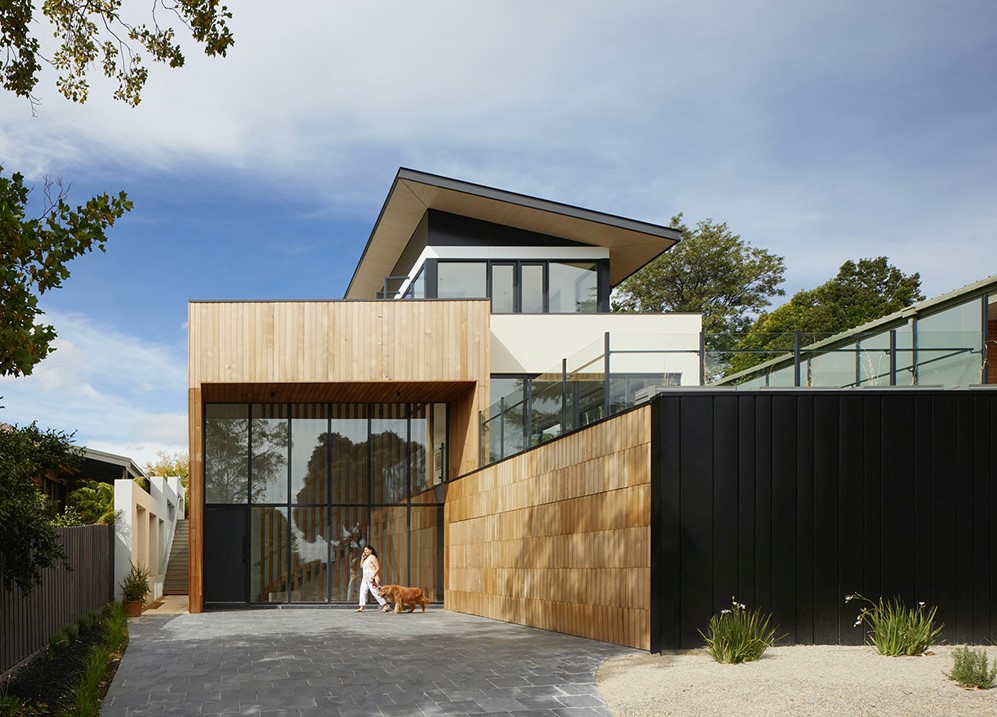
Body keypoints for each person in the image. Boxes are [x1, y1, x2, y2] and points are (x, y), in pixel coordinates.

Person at [356, 545, 390, 612]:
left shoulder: (373, 557)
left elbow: (377, 568)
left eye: (366, 550)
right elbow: (361, 566)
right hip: (365, 578)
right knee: (362, 591)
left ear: (370, 550)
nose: (365, 552)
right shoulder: (366, 558)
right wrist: (362, 558)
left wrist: (374, 576)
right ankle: (362, 607)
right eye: (364, 550)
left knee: (375, 592)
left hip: (371, 578)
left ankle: (385, 605)